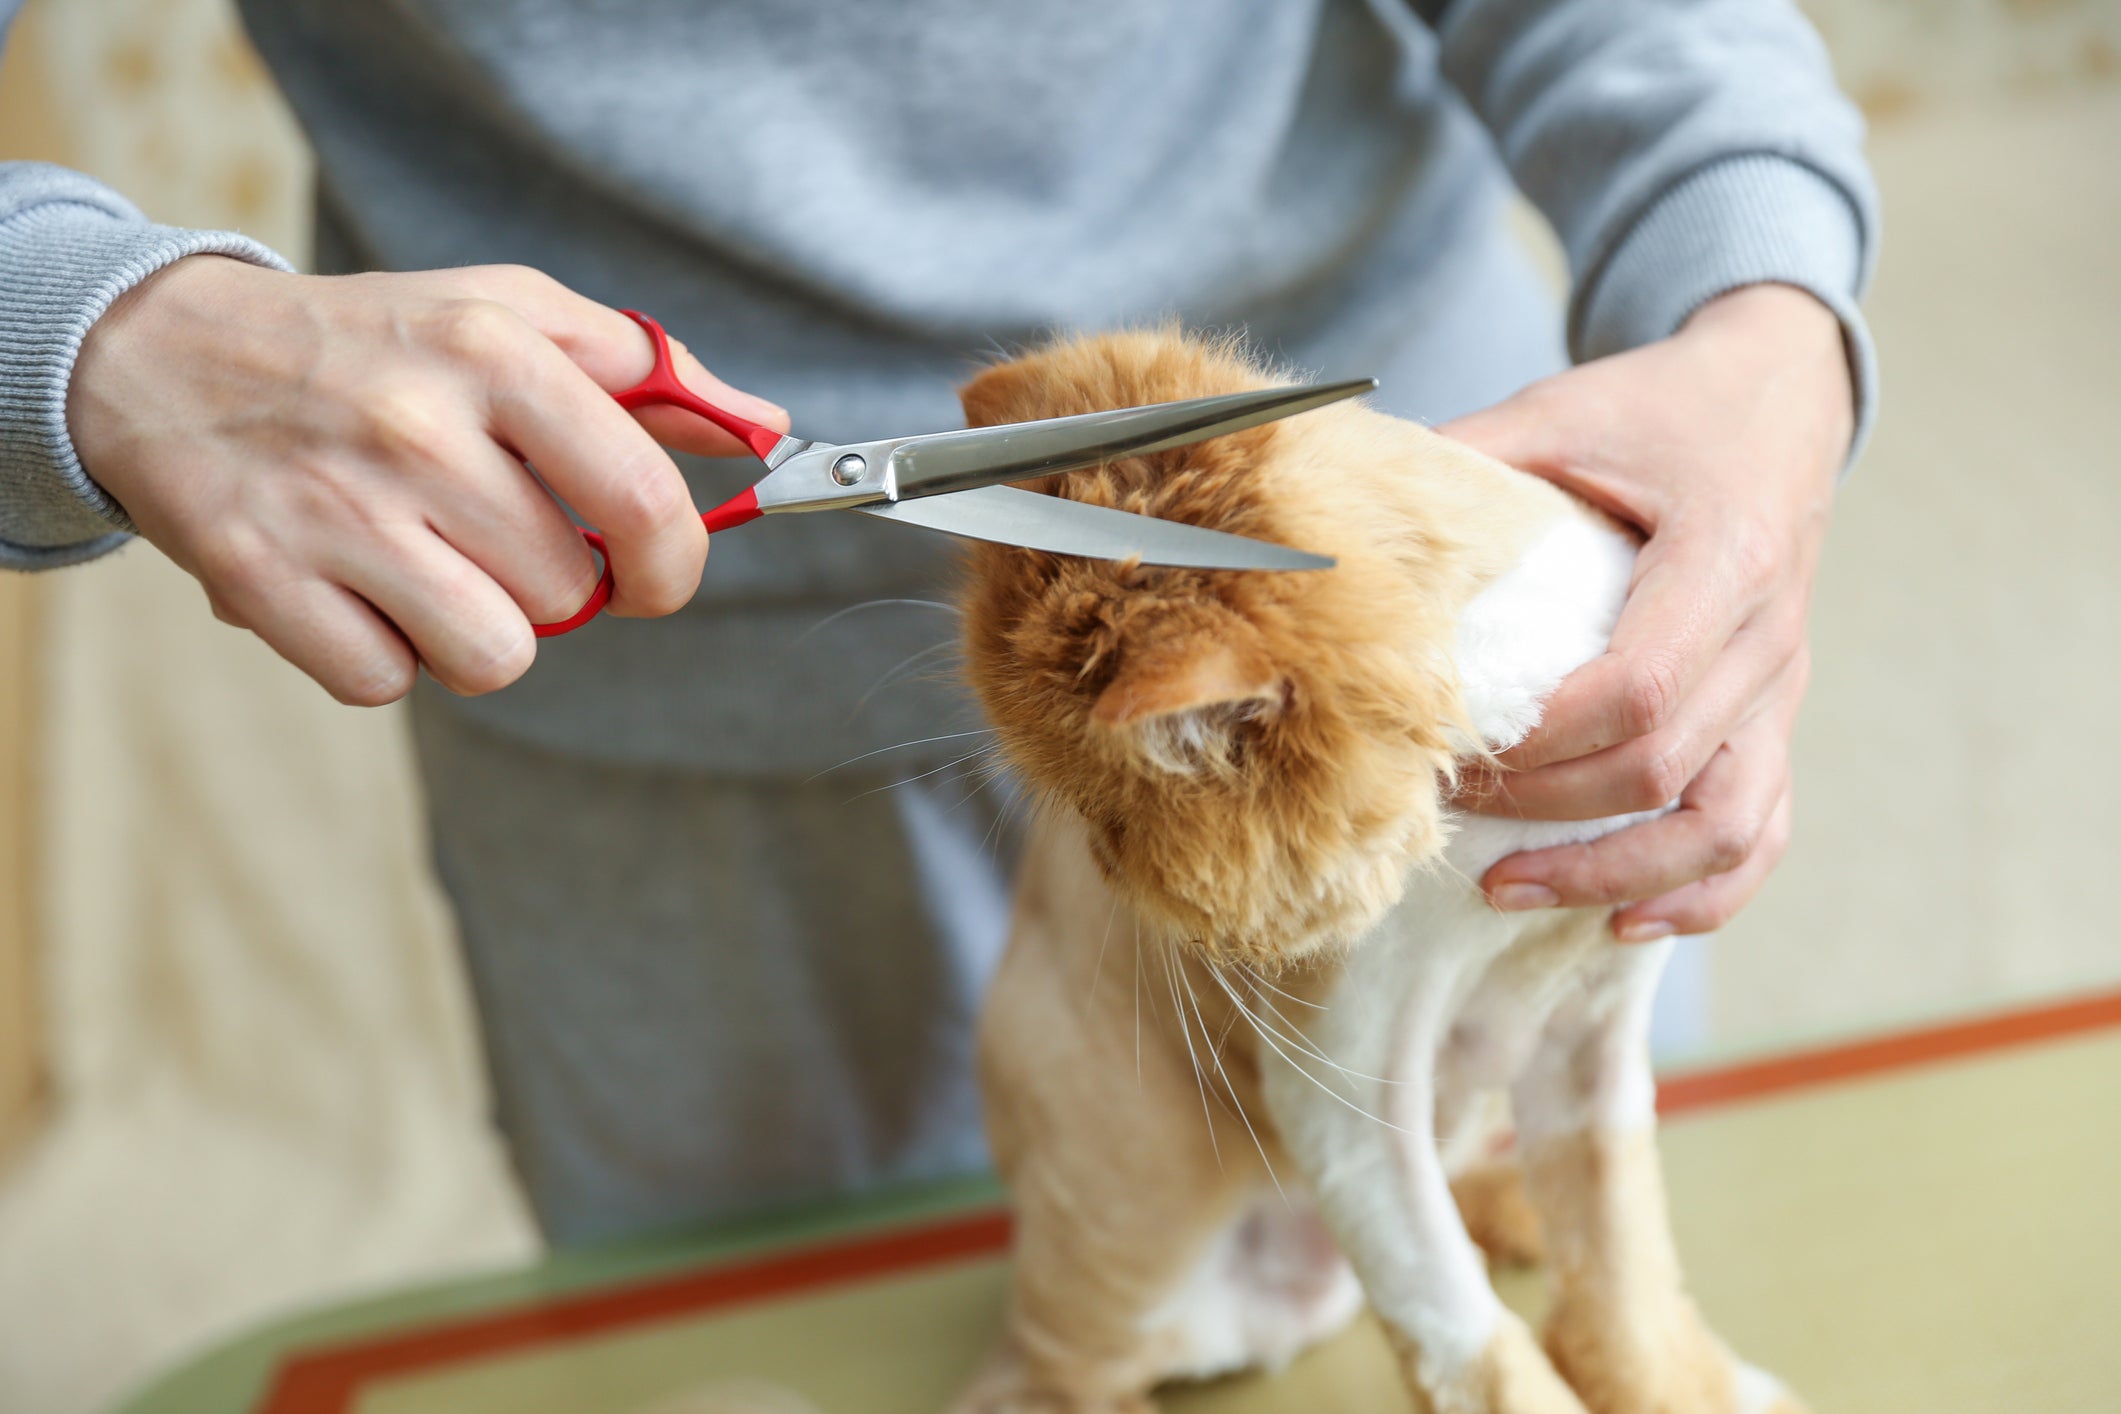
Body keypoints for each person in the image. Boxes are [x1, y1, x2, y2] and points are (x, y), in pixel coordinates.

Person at [0, 1, 1875, 1246]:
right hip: (681, 729)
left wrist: (1758, 311)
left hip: (1412, 650)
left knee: (1548, 1272)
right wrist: (104, 332)